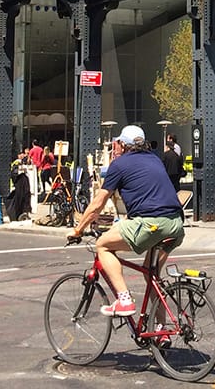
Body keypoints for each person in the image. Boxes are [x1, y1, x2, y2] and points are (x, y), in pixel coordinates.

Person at [69, 125, 185, 316]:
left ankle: (124, 300)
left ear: (123, 145)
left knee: (103, 245)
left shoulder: (119, 165)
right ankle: (161, 330)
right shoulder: (155, 159)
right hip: (175, 224)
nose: (115, 147)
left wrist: (78, 230)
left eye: (117, 143)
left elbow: (99, 202)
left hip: (151, 223)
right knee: (151, 273)